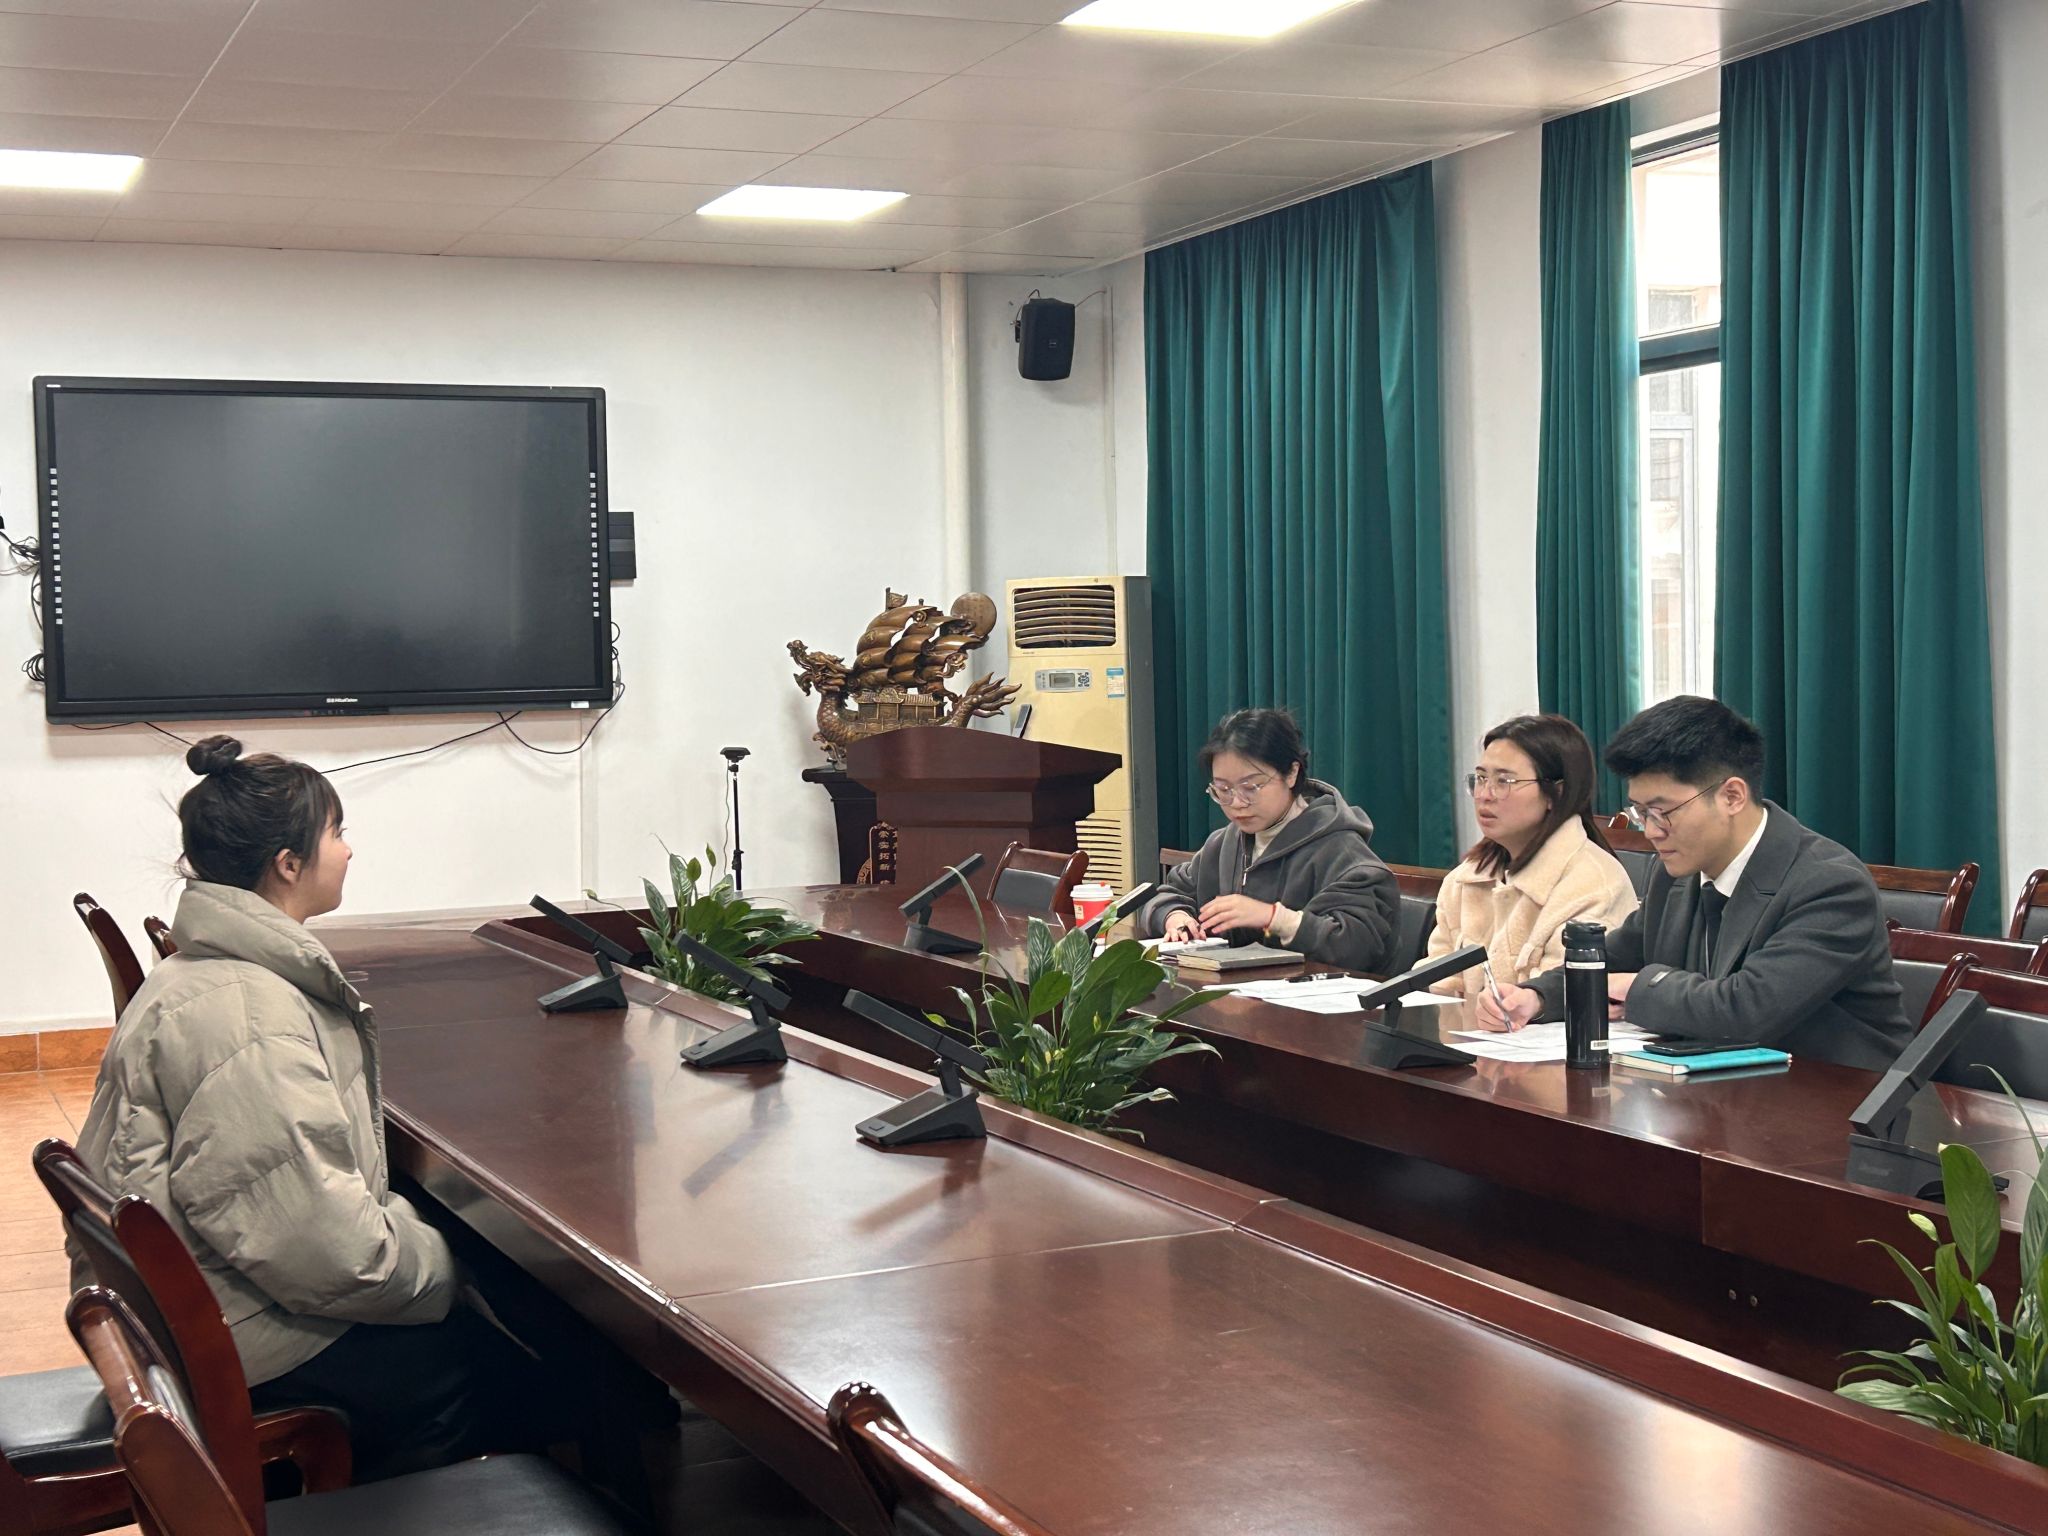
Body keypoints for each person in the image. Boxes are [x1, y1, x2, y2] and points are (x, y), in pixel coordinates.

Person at [70, 736, 547, 1481]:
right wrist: (448, 1262)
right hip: (240, 1338)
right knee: (511, 1356)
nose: (349, 850)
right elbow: (321, 1248)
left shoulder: (208, 972)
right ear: (288, 864)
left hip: (195, 1309)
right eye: (337, 832)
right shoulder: (248, 1012)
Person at [1477, 697, 1910, 1070]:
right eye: (1641, 812)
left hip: (1831, 1104)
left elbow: (1748, 1010)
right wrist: (1536, 997)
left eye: (1663, 811)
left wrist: (1636, 986)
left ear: (1732, 796)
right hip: (1717, 1093)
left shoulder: (1830, 885)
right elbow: (1612, 956)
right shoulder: (1677, 873)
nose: (1651, 831)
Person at [1136, 708, 1399, 973]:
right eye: (1223, 790)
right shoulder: (1224, 844)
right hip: (1233, 992)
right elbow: (1171, 892)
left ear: (1292, 773)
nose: (1237, 803)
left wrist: (1274, 917)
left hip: (1310, 996)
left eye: (1251, 787)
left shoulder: (1341, 851)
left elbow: (1361, 947)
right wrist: (1175, 916)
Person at [1423, 715, 1638, 1010]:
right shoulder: (1466, 877)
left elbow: (1563, 996)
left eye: (1504, 781)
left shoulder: (1594, 885)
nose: (1484, 795)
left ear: (1556, 793)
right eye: (1481, 779)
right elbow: (1436, 982)